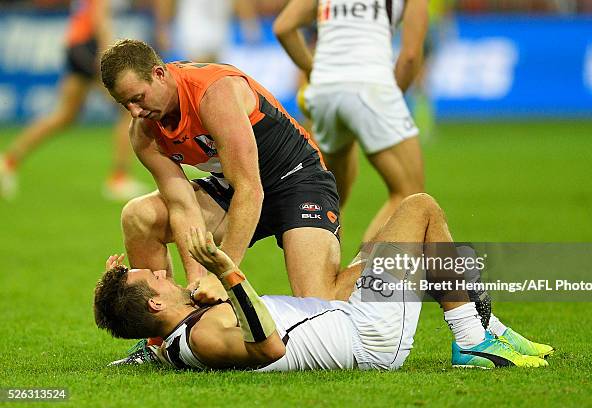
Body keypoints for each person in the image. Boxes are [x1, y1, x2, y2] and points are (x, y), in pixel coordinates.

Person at [94, 193, 553, 370]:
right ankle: (472, 338)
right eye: (153, 278)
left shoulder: (182, 336)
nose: (161, 270)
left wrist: (117, 286)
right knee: (421, 209)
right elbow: (268, 347)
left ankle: (470, 308)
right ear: (155, 306)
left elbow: (167, 324)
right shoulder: (205, 334)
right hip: (369, 333)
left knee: (399, 239)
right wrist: (228, 272)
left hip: (347, 313)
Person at [99, 39, 343, 299]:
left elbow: (250, 189)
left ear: (158, 74)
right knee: (139, 216)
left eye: (138, 98)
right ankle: (163, 333)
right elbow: (182, 206)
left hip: (297, 181)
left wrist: (222, 276)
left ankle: (388, 260)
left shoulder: (213, 93)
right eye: (126, 105)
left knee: (318, 302)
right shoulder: (143, 133)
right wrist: (197, 280)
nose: (135, 112)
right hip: (233, 191)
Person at [273, 0, 428, 241]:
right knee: (409, 196)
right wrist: (389, 100)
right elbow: (409, 57)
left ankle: (320, 275)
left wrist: (315, 71)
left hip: (323, 93)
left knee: (330, 197)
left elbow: (284, 27)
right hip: (370, 84)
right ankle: (362, 275)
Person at [0, 0, 146, 201]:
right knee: (128, 110)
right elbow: (99, 14)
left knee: (64, 115)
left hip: (77, 43)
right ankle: (119, 179)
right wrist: (106, 54)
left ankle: (7, 161)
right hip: (90, 45)